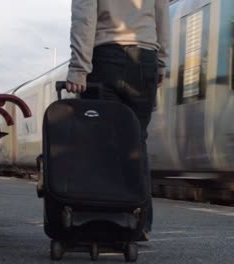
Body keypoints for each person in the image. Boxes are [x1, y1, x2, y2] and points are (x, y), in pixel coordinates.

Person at [65, 0, 170, 241]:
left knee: (99, 144)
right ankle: (140, 224)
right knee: (136, 142)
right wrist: (162, 60)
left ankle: (103, 221)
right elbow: (162, 13)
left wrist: (79, 67)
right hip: (146, 58)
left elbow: (84, 15)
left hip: (105, 55)